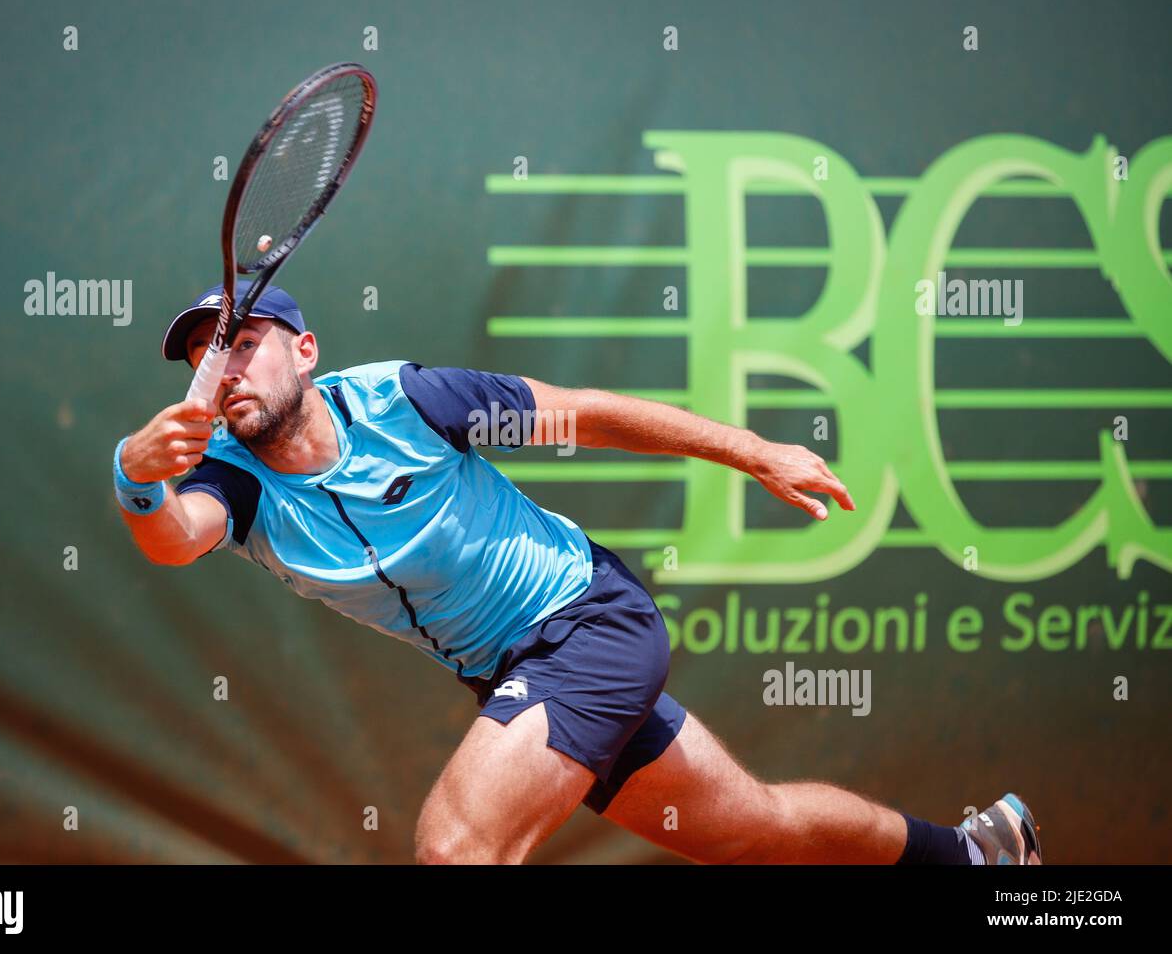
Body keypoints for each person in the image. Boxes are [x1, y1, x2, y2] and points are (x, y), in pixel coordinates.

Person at [112, 280, 1042, 865]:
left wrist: (753, 449)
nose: (219, 370)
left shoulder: (411, 404)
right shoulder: (229, 486)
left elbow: (584, 416)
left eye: (240, 341)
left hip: (587, 621)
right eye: (201, 359)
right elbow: (173, 537)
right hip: (514, 675)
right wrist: (135, 476)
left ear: (304, 351)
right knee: (751, 830)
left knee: (457, 849)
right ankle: (970, 857)